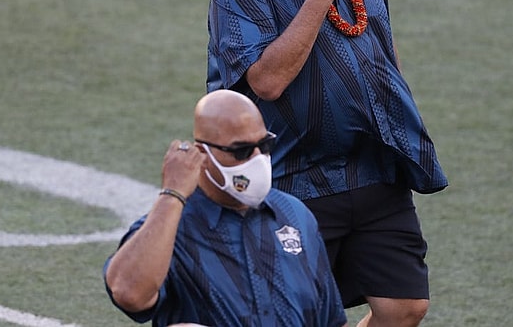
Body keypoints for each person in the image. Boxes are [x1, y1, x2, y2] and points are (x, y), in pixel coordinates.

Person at [205, 0, 449, 326]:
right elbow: (267, 80)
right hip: (293, 176)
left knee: (404, 307)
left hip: (372, 164)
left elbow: (381, 43)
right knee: (298, 317)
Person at [103, 90, 348, 327]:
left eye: (264, 146)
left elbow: (331, 319)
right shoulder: (171, 228)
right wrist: (172, 195)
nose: (257, 159)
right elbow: (128, 293)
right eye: (241, 151)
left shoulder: (295, 214)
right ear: (202, 154)